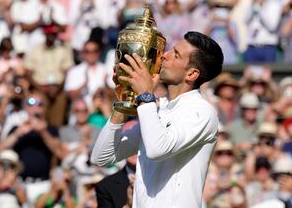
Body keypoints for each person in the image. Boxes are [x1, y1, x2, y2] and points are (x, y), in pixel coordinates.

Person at [91, 31, 224, 207]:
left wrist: (146, 95)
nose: (165, 55)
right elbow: (101, 158)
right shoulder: (156, 107)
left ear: (191, 74)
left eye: (175, 54)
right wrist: (126, 101)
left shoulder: (203, 112)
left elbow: (157, 149)